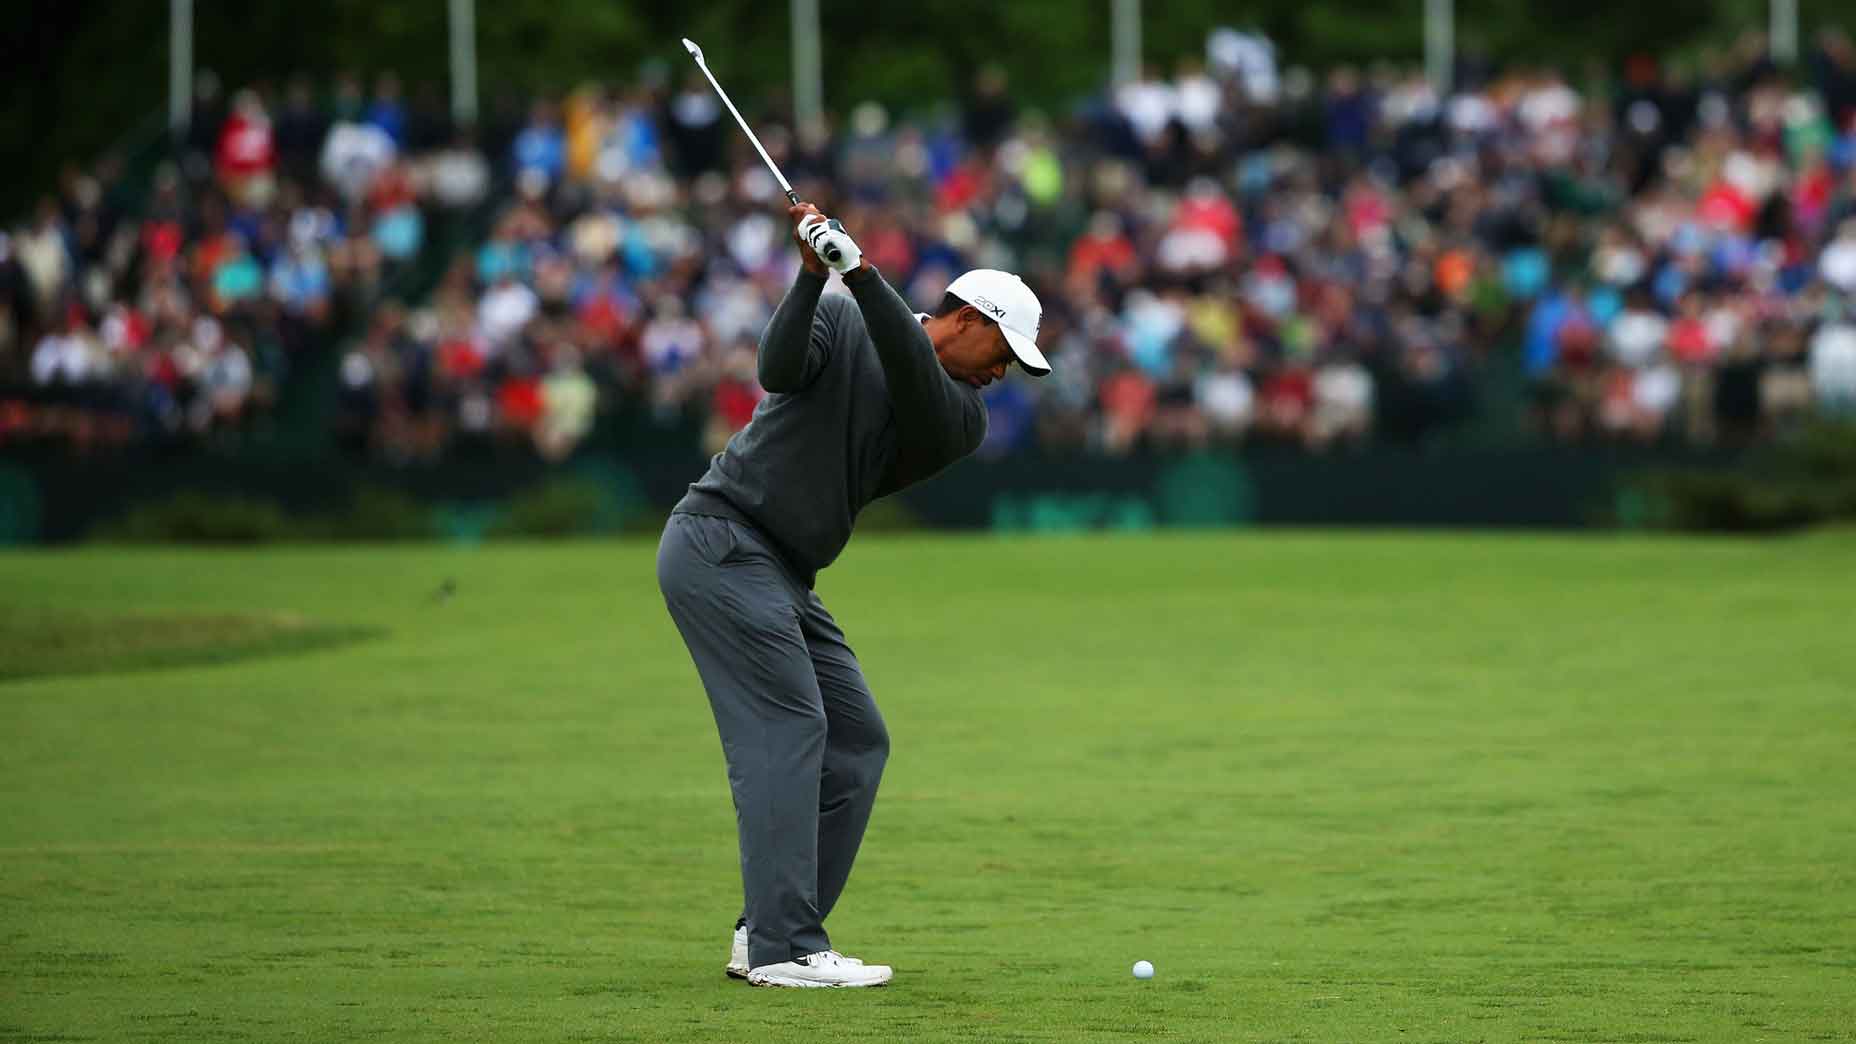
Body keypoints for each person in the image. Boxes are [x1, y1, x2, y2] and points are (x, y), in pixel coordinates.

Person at [656, 202, 1049, 989]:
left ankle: (764, 931)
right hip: (722, 540)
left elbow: (908, 367)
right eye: (1004, 349)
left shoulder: (960, 417)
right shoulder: (841, 311)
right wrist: (810, 281)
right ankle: (784, 947)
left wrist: (859, 273)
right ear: (968, 318)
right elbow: (778, 370)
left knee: (858, 740)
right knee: (792, 725)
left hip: (782, 571)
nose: (1004, 371)